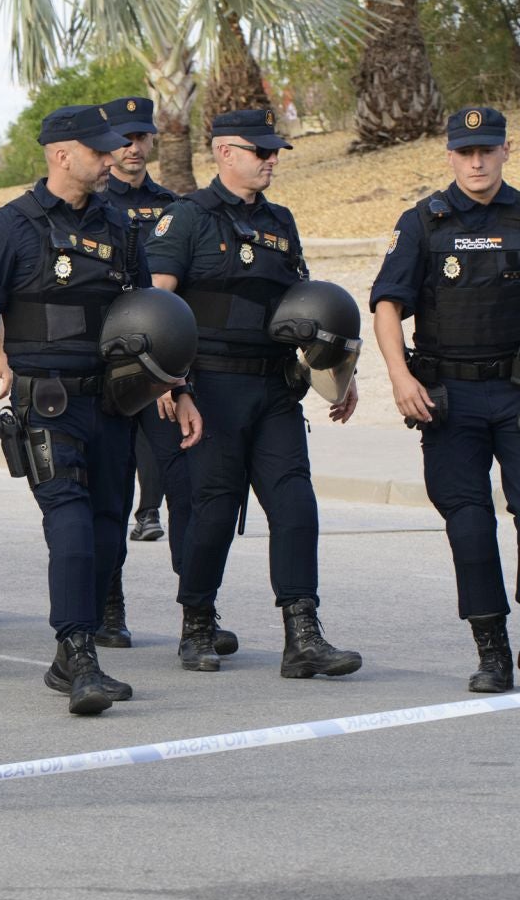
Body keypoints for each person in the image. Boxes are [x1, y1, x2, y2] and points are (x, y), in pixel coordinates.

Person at [0, 105, 201, 715]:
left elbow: (147, 316)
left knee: (110, 531)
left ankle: (71, 658)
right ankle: (78, 650)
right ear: (63, 154)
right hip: (47, 403)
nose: (112, 158)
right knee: (71, 522)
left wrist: (176, 388)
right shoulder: (11, 225)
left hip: (112, 404)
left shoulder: (117, 222)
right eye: (99, 150)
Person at [150, 108, 361, 679]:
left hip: (273, 388)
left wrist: (340, 371)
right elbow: (156, 308)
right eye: (260, 150)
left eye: (274, 151)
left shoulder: (280, 221)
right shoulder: (187, 217)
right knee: (213, 510)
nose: (271, 160)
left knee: (295, 505)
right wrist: (174, 385)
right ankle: (197, 624)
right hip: (210, 387)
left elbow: (308, 305)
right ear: (224, 153)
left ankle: (303, 633)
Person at [372, 107, 520, 693]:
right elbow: (387, 305)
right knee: (469, 524)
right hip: (449, 399)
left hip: (515, 392)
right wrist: (399, 377)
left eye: (487, 150)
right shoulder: (423, 222)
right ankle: (492, 650)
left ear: (506, 150)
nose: (476, 161)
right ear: (450, 155)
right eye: (465, 152)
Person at [96, 96, 187, 648]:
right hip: (103, 371)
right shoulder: (86, 202)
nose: (134, 149)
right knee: (107, 495)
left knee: (186, 489)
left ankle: (195, 612)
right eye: (124, 139)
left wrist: (172, 372)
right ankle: (109, 606)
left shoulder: (173, 207)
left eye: (142, 137)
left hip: (159, 369)